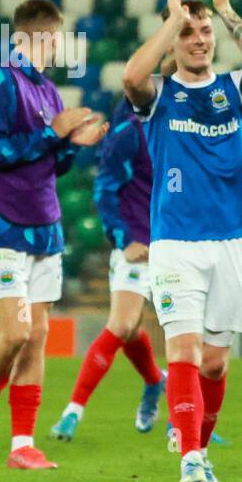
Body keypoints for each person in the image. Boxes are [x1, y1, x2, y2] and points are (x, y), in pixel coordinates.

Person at [122, 0, 242, 482]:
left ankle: (199, 446)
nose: (198, 40)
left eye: (204, 31)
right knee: (183, 351)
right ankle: (190, 456)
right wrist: (173, 18)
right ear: (172, 39)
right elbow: (129, 78)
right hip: (175, 243)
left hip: (232, 239)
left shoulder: (234, 89)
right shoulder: (160, 95)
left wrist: (226, 11)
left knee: (214, 363)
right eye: (188, 32)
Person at [0, 0, 107, 469]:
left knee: (38, 335)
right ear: (45, 37)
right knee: (16, 332)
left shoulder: (49, 92)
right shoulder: (1, 81)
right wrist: (52, 135)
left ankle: (23, 445)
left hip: (43, 222)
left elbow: (51, 163)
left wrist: (71, 145)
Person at [50, 94, 165, 441]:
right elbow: (105, 189)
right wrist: (123, 238)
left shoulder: (186, 126)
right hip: (139, 246)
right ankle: (73, 411)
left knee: (175, 331)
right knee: (121, 325)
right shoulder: (130, 132)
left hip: (180, 243)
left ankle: (180, 408)